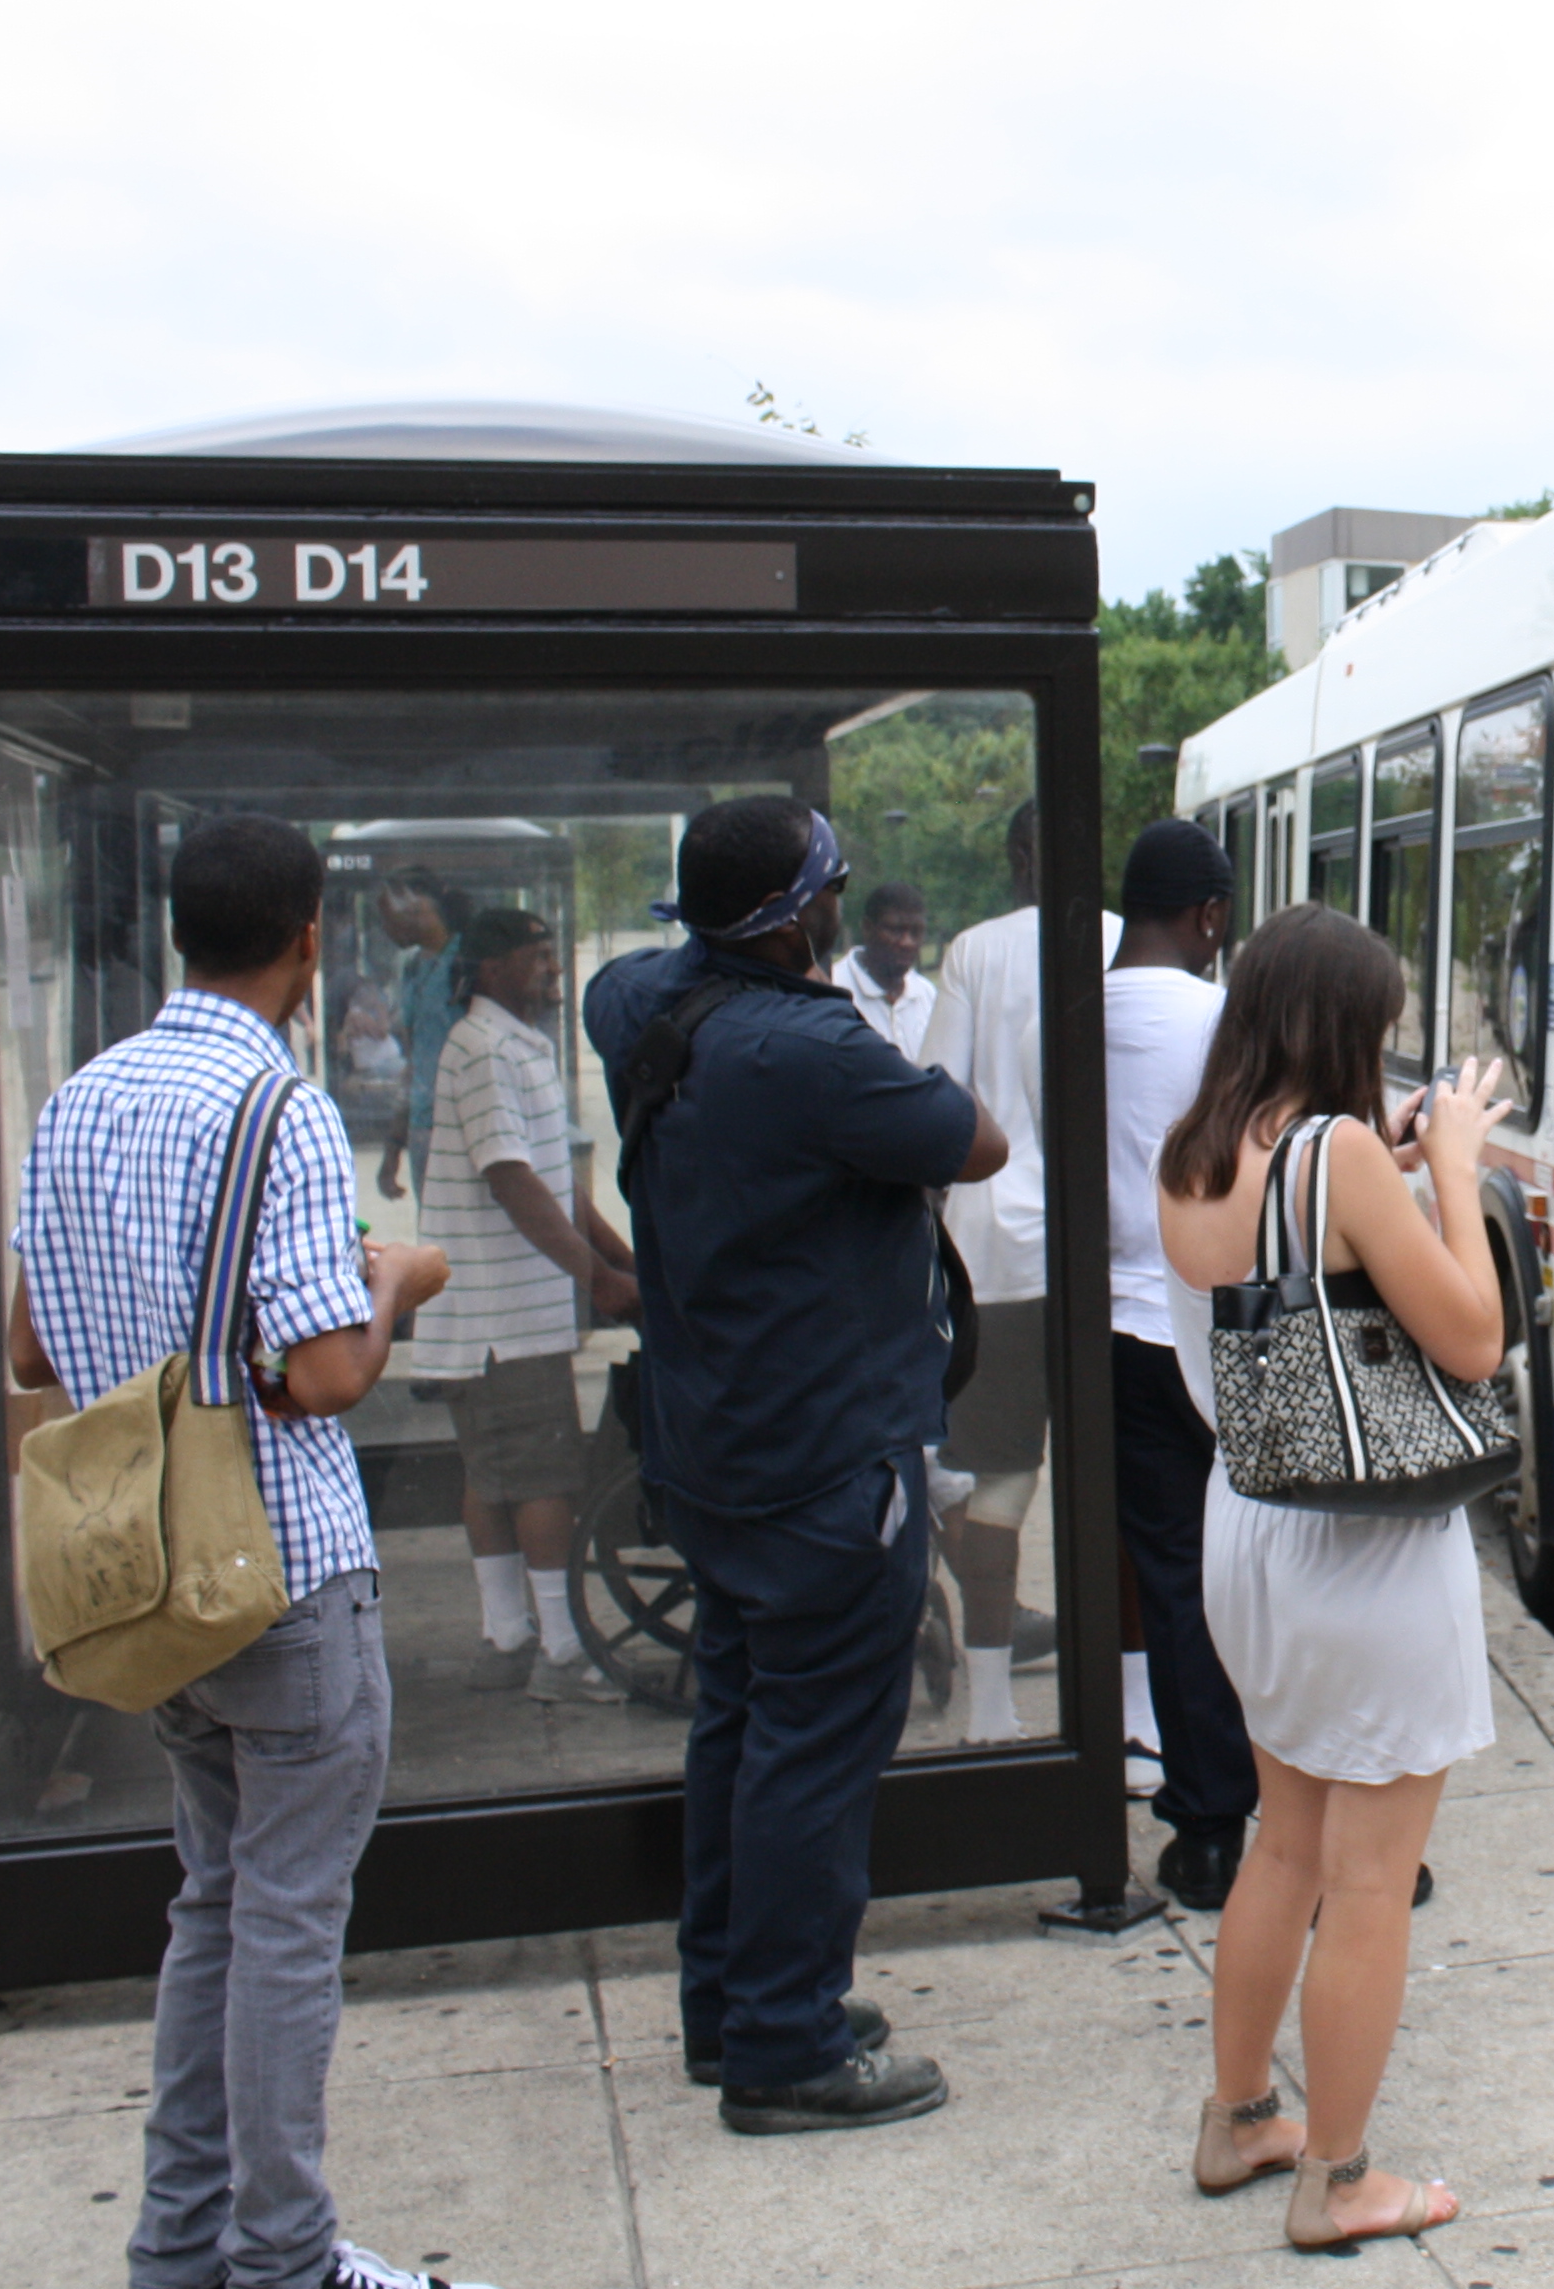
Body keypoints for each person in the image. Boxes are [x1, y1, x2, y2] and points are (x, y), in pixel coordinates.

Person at [3, 813, 477, 2289]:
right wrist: (390, 1280)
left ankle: (180, 2246)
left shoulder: (77, 1100)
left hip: (154, 1585)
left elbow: (30, 1344)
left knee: (211, 1903)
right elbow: (330, 1375)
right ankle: (284, 2257)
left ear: (174, 931)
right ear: (310, 936)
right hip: (282, 1568)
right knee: (286, 1924)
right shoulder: (279, 1108)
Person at [584, 796, 1003, 2135]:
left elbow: (628, 975)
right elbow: (976, 1141)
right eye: (829, 890)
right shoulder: (818, 1051)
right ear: (798, 919)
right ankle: (786, 2045)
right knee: (815, 1754)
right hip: (826, 1459)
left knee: (743, 1727)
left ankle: (736, 2003)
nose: (845, 906)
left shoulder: (637, 1006)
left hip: (710, 1447)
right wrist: (833, 1007)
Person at [1156, 904, 1506, 2251]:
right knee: (1371, 1873)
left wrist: (1392, 1160)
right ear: (1344, 1025)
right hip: (1365, 1541)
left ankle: (1241, 2117)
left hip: (1248, 1520)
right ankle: (1342, 2178)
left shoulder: (1194, 1154)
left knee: (1285, 1841)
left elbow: (1296, 1257)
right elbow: (1470, 1338)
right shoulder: (1344, 1154)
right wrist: (1454, 1170)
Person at [918, 803, 1117, 1744]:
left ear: (1017, 861)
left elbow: (938, 1096)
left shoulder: (972, 952)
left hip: (991, 1256)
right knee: (1114, 1486)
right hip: (1108, 1259)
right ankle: (1137, 1713)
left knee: (995, 1484)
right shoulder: (1125, 943)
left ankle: (989, 1710)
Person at [414, 904, 641, 1706]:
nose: (552, 971)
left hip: (503, 1318)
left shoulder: (520, 1047)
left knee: (498, 1475)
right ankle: (563, 1652)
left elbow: (555, 1179)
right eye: (538, 959)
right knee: (542, 1478)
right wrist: (600, 1281)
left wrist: (621, 1262)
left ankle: (506, 1637)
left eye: (553, 955)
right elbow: (513, 1180)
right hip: (497, 1319)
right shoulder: (481, 1050)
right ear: (491, 970)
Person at [1103, 819, 1254, 1908]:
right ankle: (1320, 1817)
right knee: (1272, 1570)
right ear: (1206, 916)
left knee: (1171, 1576)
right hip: (1222, 1322)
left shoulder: (1070, 1019)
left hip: (1112, 1330)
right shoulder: (1224, 1020)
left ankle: (1205, 1830)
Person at [373, 869, 473, 1201]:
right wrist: (392, 1148)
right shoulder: (413, 967)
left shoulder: (467, 961)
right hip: (424, 1126)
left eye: (413, 912)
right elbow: (414, 1061)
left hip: (468, 1121)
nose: (401, 923)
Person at [831, 880, 937, 1062]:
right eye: (896, 930)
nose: (907, 942)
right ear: (867, 928)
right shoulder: (834, 990)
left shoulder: (926, 995)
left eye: (916, 932)